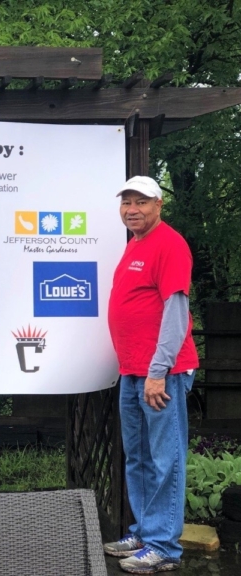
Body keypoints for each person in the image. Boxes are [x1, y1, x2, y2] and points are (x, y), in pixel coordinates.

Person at [105, 175, 199, 574]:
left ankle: (163, 547)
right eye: (126, 202)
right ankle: (144, 533)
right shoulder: (136, 244)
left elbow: (176, 313)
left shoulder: (169, 244)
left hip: (162, 374)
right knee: (139, 458)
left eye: (141, 202)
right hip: (133, 371)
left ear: (159, 205)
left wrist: (158, 371)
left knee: (165, 459)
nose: (132, 209)